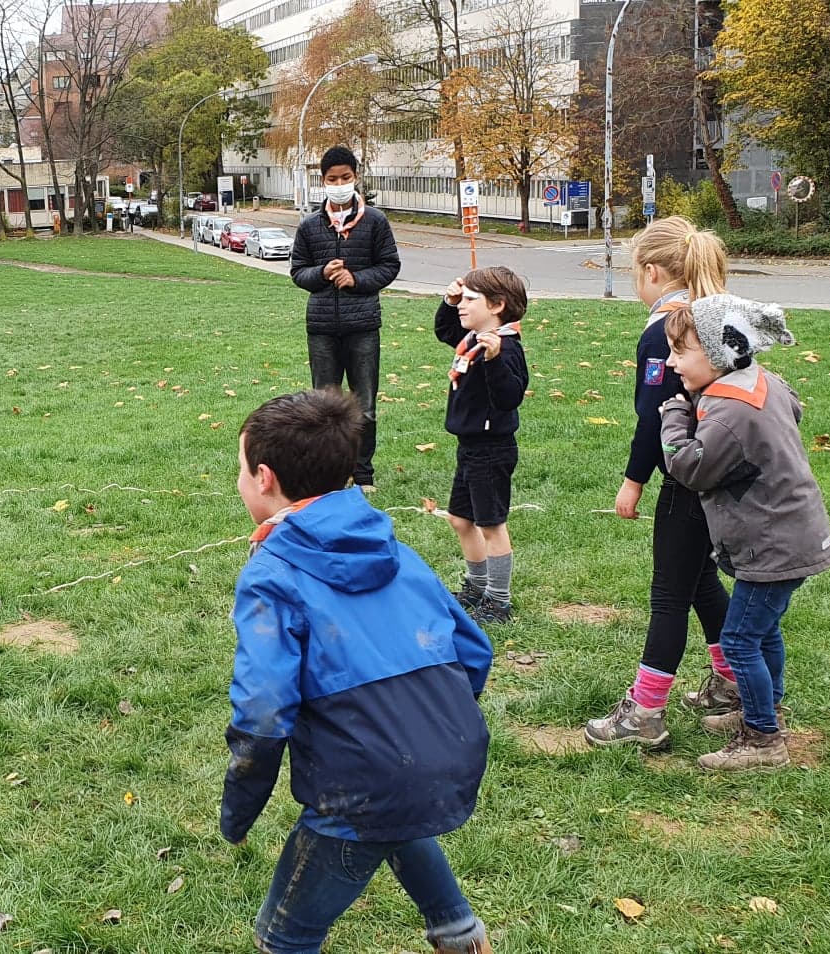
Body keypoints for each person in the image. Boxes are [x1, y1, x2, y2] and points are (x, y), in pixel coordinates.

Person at [221, 388, 493, 954]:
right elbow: (474, 651)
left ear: (264, 479)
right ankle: (459, 934)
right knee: (393, 810)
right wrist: (422, 725)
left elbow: (263, 713)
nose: (240, 481)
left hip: (360, 786)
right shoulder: (393, 547)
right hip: (445, 757)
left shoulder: (271, 575)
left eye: (241, 470)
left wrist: (238, 811)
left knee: (283, 937)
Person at [659, 294, 830, 770]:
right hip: (792, 534)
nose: (672, 362)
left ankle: (762, 740)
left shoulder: (730, 413)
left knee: (739, 641)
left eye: (681, 351)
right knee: (762, 632)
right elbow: (794, 408)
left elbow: (689, 466)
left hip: (774, 545)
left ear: (720, 352)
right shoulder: (762, 382)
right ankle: (765, 711)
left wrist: (674, 415)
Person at [585, 217, 737, 749]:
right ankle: (733, 682)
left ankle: (644, 711)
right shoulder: (714, 315)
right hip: (721, 468)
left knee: (669, 594)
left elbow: (654, 415)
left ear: (651, 271)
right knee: (699, 581)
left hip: (687, 476)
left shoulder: (666, 330)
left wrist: (633, 481)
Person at [288, 145, 399, 493]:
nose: (339, 184)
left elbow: (389, 266)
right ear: (323, 181)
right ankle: (330, 476)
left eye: (345, 178)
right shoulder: (310, 225)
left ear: (356, 178)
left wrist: (356, 280)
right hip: (322, 328)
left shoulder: (375, 221)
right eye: (332, 179)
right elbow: (298, 271)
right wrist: (322, 272)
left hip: (362, 326)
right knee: (323, 407)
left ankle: (363, 475)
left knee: (364, 404)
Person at [433, 266, 529, 625]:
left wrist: (493, 361)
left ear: (497, 305)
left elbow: (509, 397)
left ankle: (498, 601)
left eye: (469, 300)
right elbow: (444, 329)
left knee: (491, 525)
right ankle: (476, 586)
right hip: (469, 446)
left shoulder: (506, 348)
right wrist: (448, 301)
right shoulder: (472, 337)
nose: (462, 305)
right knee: (461, 519)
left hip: (492, 449)